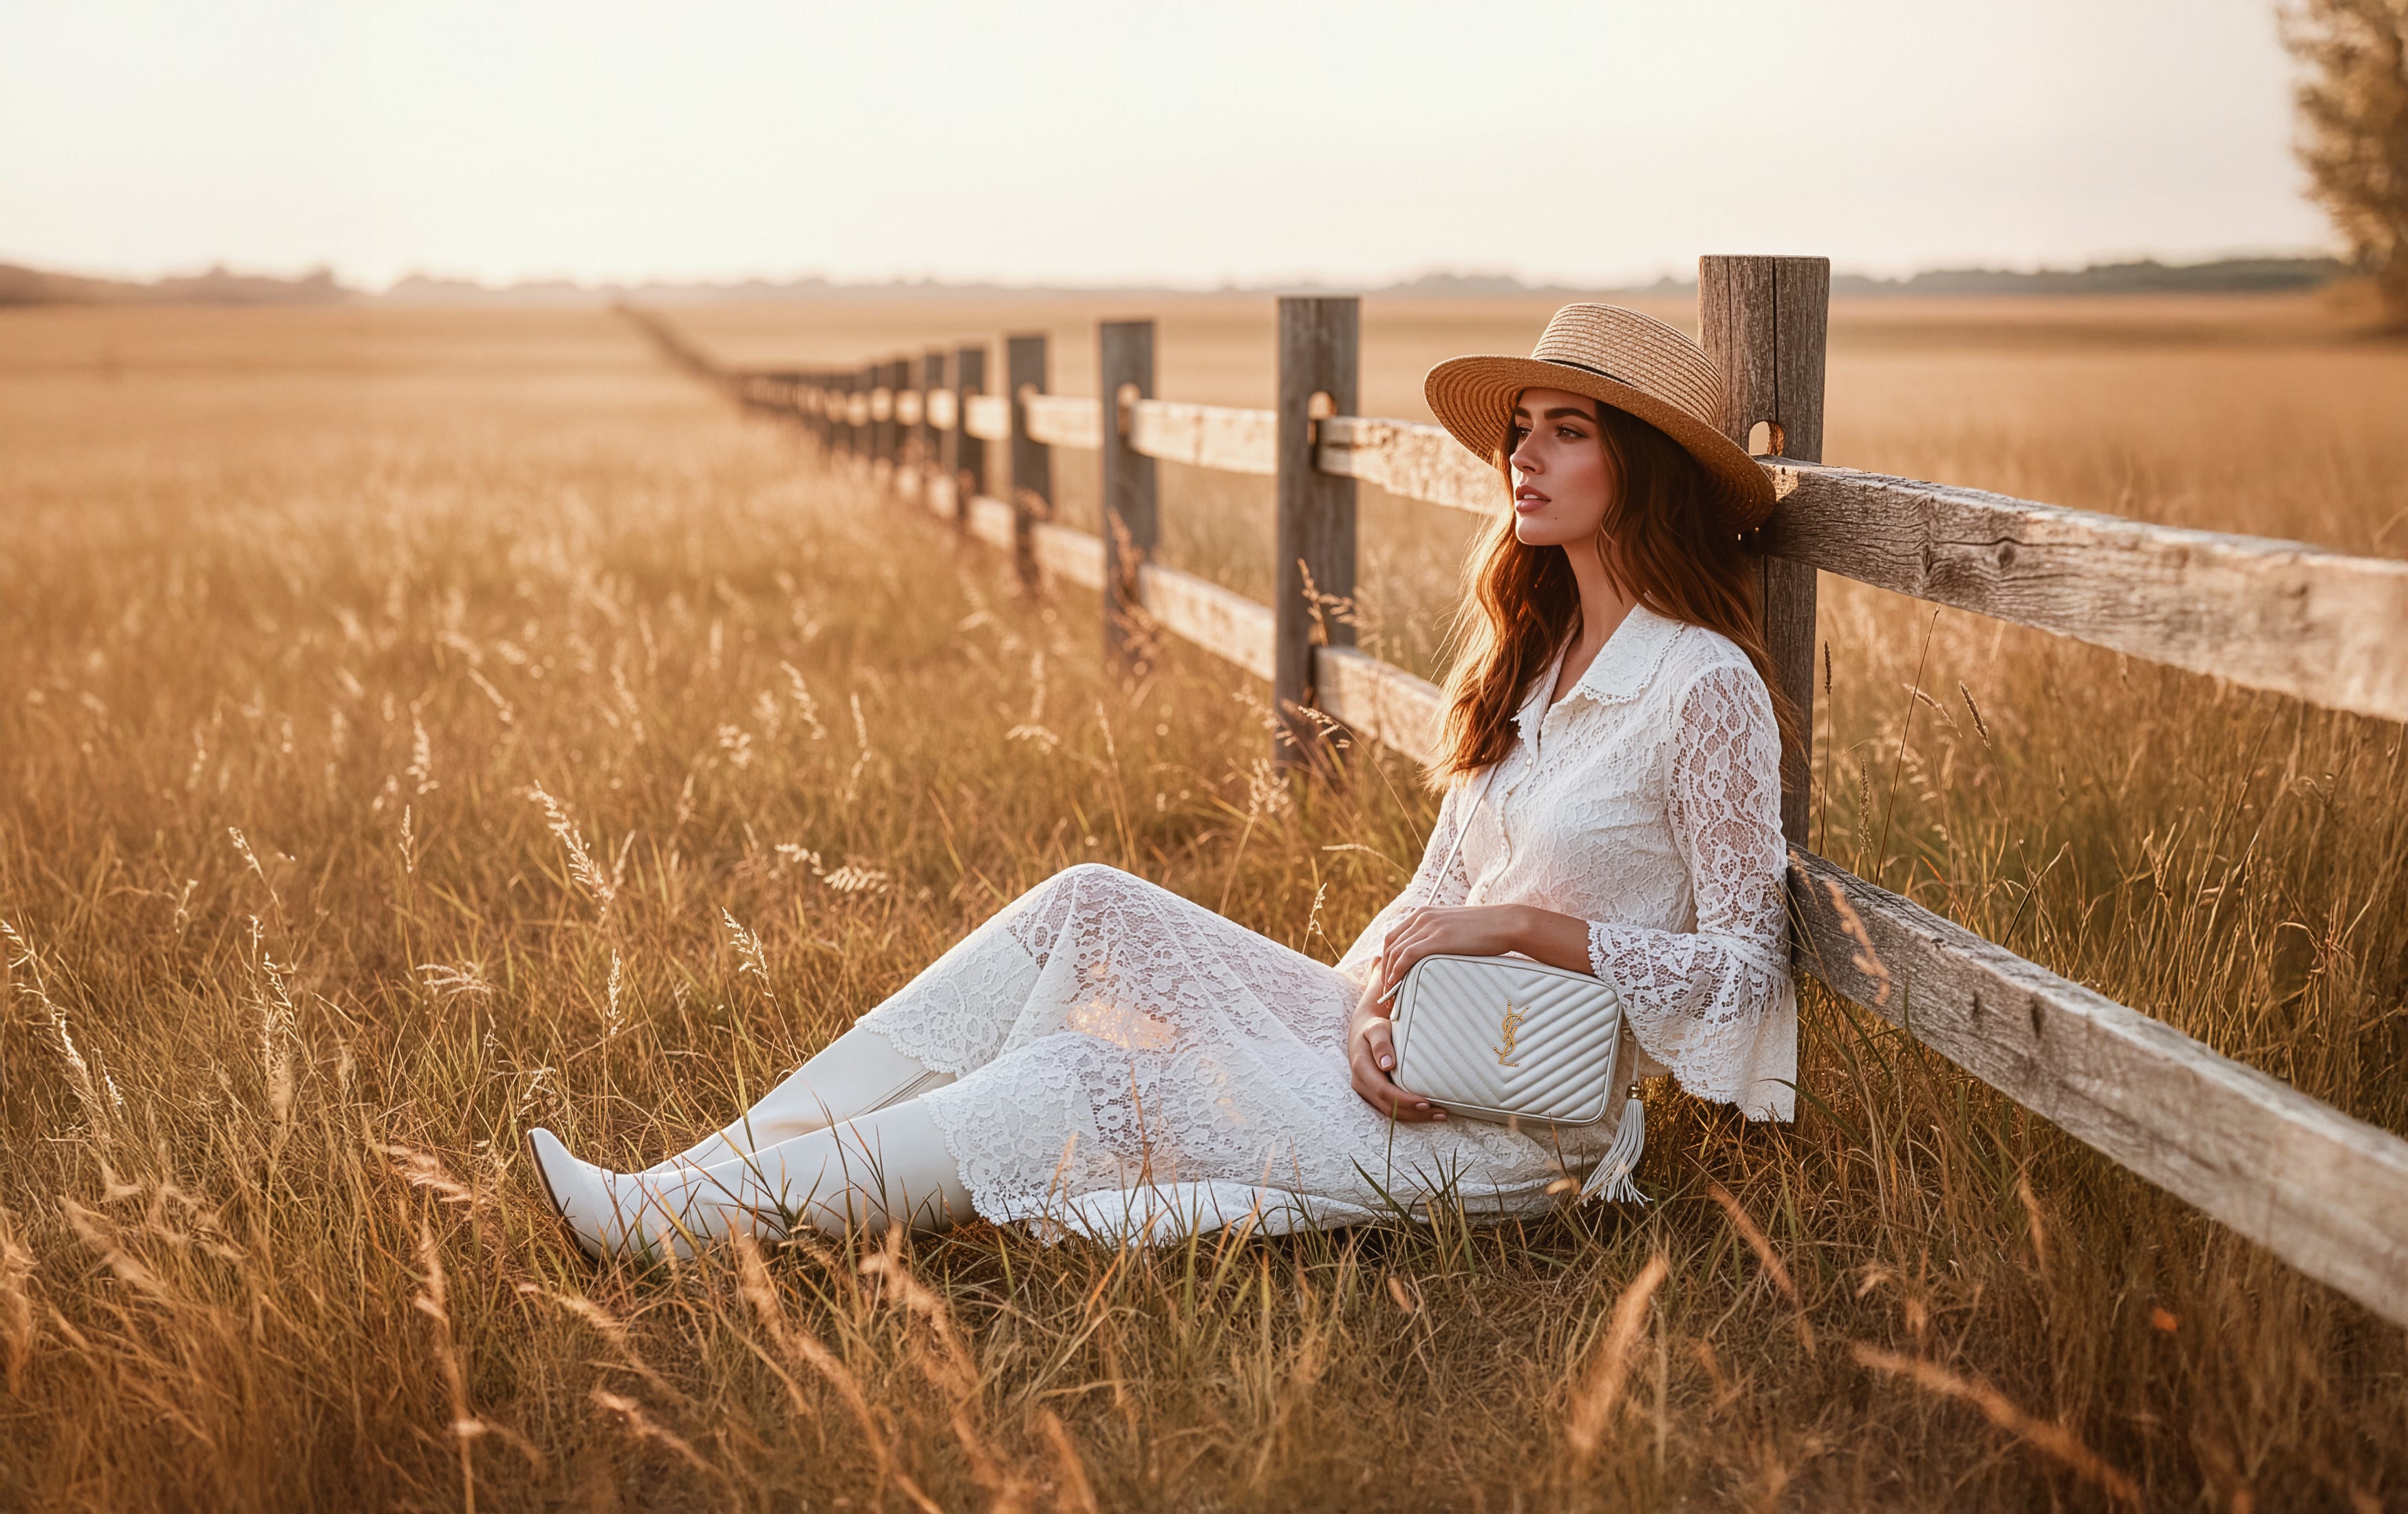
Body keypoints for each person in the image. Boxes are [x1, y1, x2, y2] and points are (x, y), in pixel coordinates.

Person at [526, 303, 1802, 1261]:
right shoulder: (1537, 665)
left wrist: (1523, 925)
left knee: (1072, 1080)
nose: (1521, 458)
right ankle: (699, 1179)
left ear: (1639, 465)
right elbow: (1429, 897)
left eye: (1564, 434)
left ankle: (674, 1228)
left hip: (1525, 1126)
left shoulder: (1704, 690)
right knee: (1092, 899)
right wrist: (1366, 1010)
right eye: (1519, 433)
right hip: (1405, 1052)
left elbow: (1748, 971)